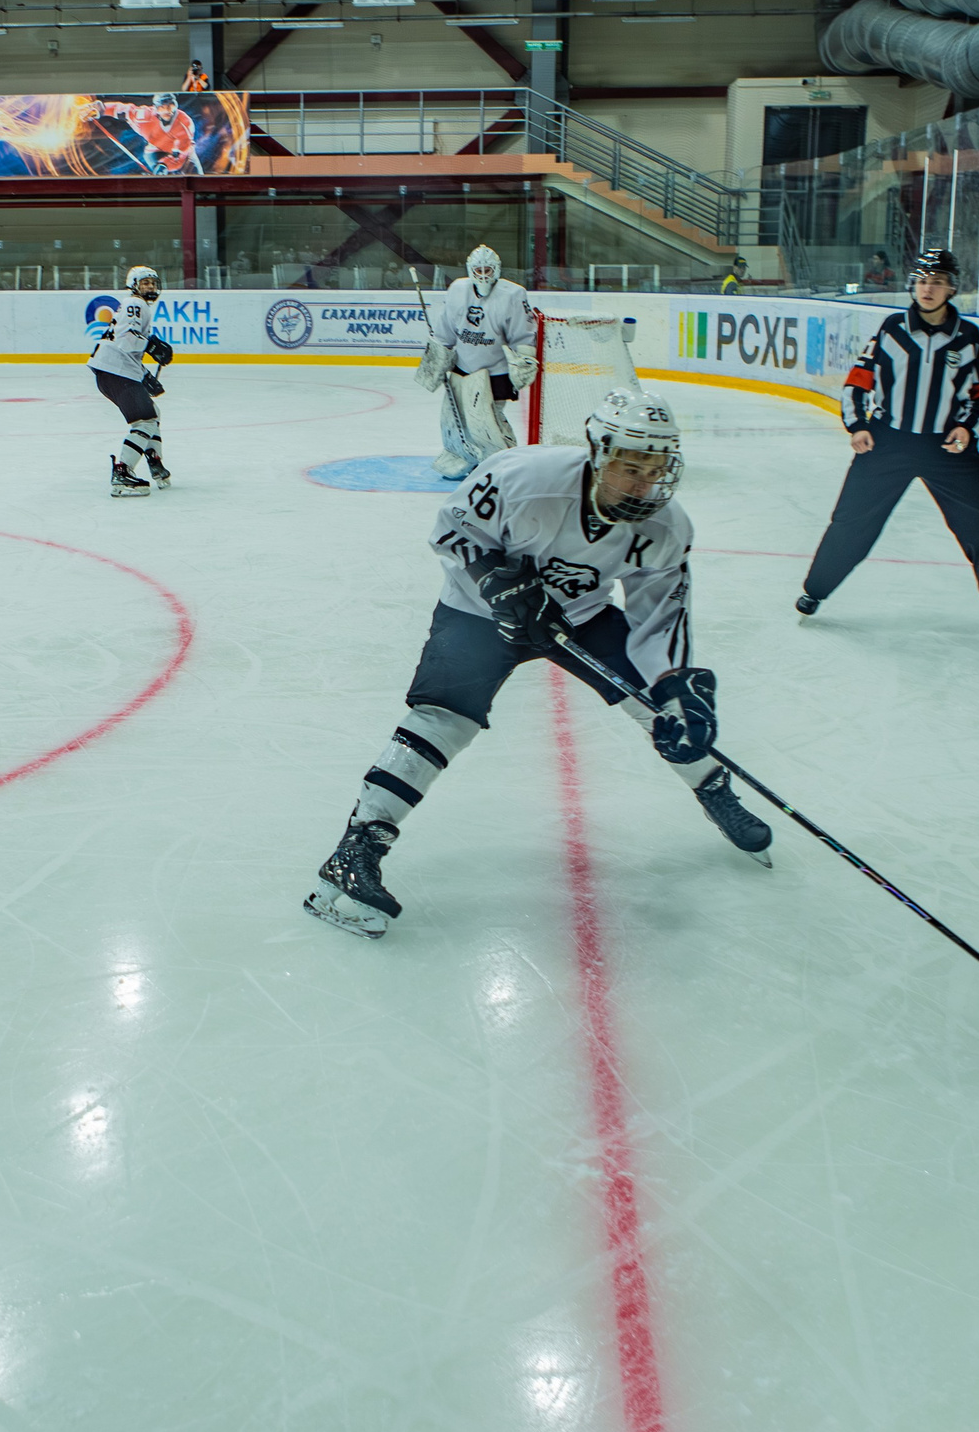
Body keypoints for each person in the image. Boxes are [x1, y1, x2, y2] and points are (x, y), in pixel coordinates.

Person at [304, 386, 772, 938]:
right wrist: (496, 581)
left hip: (581, 614)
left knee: (656, 708)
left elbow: (657, 624)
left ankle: (714, 789)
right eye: (629, 468)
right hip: (480, 612)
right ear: (598, 453)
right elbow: (452, 529)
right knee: (442, 718)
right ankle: (357, 847)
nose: (644, 485)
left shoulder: (666, 529)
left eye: (655, 469)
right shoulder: (524, 477)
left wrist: (673, 689)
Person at [795, 247, 979, 631]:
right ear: (911, 286)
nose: (927, 289)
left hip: (947, 450)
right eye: (921, 282)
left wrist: (966, 429)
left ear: (951, 289)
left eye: (937, 282)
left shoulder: (967, 336)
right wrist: (859, 426)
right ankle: (815, 590)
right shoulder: (892, 329)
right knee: (852, 522)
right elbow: (857, 381)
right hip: (888, 443)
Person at [418, 244, 535, 479]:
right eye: (478, 269)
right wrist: (438, 355)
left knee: (488, 421)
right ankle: (463, 457)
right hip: (462, 369)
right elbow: (446, 329)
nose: (483, 274)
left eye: (488, 269)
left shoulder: (513, 295)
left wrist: (524, 358)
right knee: (456, 418)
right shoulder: (457, 290)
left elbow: (522, 333)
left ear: (497, 270)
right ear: (470, 269)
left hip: (496, 373)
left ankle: (503, 462)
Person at [89, 266, 173, 496]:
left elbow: (124, 344)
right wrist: (152, 346)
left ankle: (154, 460)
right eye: (145, 282)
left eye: (153, 283)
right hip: (115, 372)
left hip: (114, 371)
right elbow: (127, 339)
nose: (150, 287)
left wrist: (143, 374)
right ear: (134, 285)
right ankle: (122, 473)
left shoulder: (136, 305)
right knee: (145, 421)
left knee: (152, 413)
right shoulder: (135, 303)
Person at [95, 93, 198, 173]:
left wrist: (164, 165)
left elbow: (179, 157)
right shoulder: (145, 116)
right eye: (162, 107)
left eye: (170, 106)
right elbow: (125, 110)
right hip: (155, 149)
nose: (166, 110)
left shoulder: (184, 124)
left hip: (183, 156)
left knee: (196, 176)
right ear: (156, 108)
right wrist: (100, 109)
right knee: (157, 170)